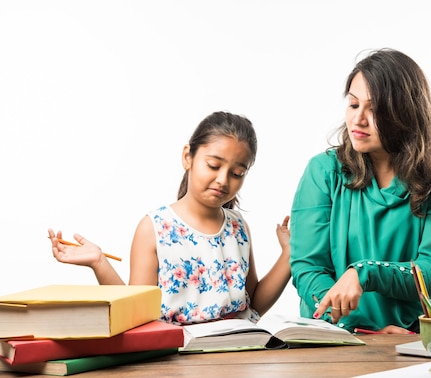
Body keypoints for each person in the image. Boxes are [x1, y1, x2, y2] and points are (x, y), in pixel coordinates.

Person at [48, 111, 291, 324]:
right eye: (214, 166)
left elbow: (253, 305)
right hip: (178, 357)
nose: (223, 180)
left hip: (238, 353)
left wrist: (289, 254)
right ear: (188, 157)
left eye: (237, 173)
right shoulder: (155, 227)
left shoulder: (238, 227)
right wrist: (99, 263)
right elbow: (136, 313)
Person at [289, 49, 431, 334]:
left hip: (417, 336)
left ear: (405, 113)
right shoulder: (323, 172)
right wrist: (353, 327)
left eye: (375, 110)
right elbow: (308, 269)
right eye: (354, 104)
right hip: (341, 337)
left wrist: (365, 272)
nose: (359, 119)